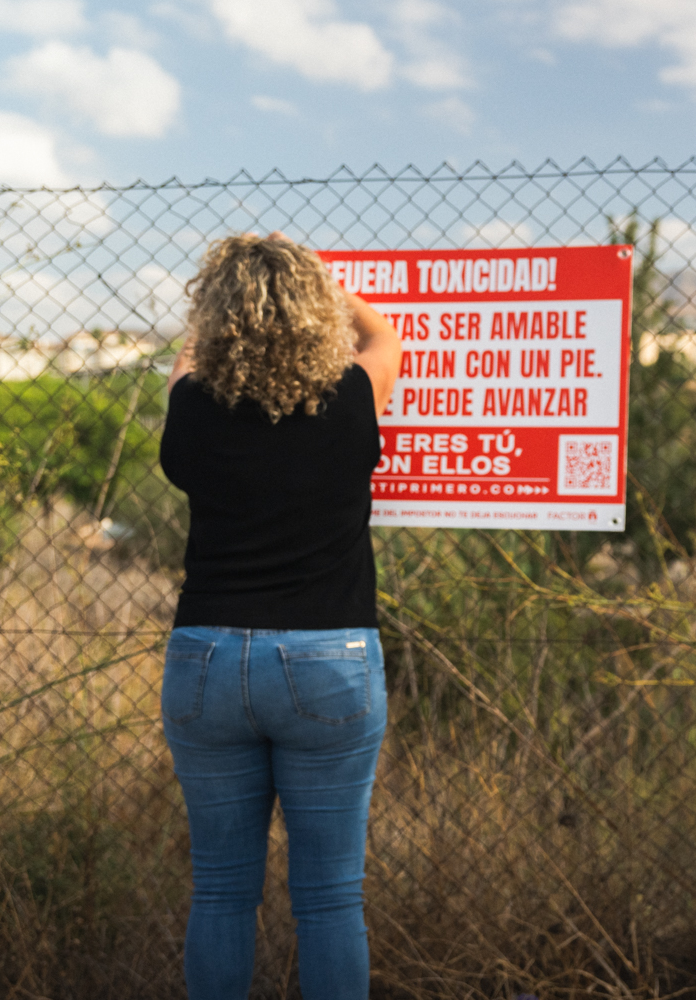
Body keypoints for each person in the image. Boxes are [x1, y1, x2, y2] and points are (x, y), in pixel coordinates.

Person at [158, 232, 402, 1000]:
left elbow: (190, 359)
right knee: (330, 896)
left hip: (205, 661)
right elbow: (383, 334)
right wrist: (331, 291)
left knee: (223, 890)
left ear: (216, 311)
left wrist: (221, 317)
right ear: (311, 310)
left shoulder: (192, 408)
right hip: (329, 661)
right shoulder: (352, 397)